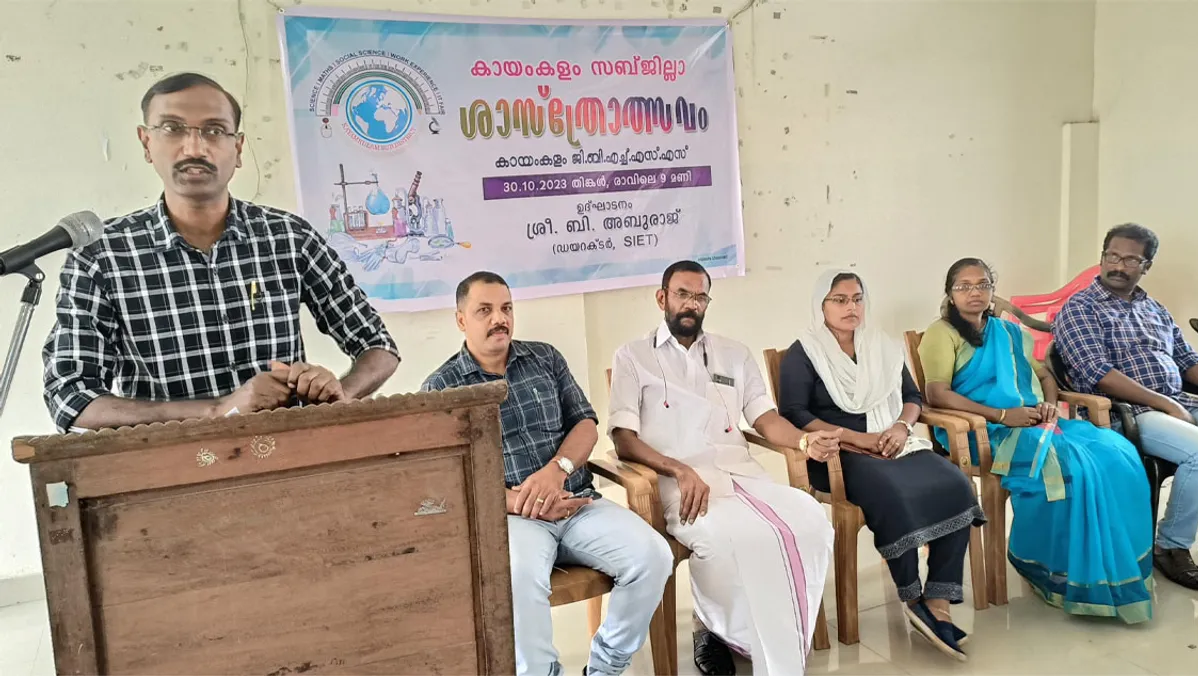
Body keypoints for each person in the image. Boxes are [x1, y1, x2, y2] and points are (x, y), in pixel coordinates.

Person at [42, 72, 399, 433]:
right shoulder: (103, 255)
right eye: (172, 128)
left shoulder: (288, 237)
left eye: (214, 130)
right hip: (170, 472)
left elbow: (378, 346)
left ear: (238, 148)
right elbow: (71, 398)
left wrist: (338, 396)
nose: (195, 148)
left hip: (289, 459)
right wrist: (217, 410)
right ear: (146, 143)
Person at [423, 271, 671, 676]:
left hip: (577, 504)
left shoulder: (544, 358)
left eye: (505, 308)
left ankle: (606, 666)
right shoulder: (441, 388)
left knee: (654, 556)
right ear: (460, 320)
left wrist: (557, 471)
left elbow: (586, 424)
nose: (498, 318)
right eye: (484, 310)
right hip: (511, 519)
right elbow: (442, 479)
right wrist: (518, 500)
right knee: (517, 579)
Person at [608, 260, 836, 676]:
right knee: (724, 543)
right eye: (682, 294)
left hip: (742, 473)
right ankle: (713, 629)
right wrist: (677, 469)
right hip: (681, 483)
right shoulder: (633, 356)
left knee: (813, 522)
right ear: (662, 298)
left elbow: (765, 419)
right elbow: (623, 437)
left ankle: (779, 633)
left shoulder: (734, 354)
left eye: (699, 296)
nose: (690, 304)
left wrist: (804, 441)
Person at [919, 258, 1154, 623]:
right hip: (983, 431)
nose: (974, 292)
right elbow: (937, 394)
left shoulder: (1010, 333)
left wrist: (1047, 403)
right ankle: (1050, 569)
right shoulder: (942, 333)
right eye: (963, 286)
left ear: (993, 290)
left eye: (982, 284)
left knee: (1117, 454)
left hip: (1034, 422)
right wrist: (1001, 415)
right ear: (950, 293)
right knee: (1068, 470)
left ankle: (1106, 571)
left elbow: (1044, 375)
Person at [1055, 224, 1198, 589]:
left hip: (1180, 402)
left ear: (1147, 265)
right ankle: (1170, 546)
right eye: (1112, 256)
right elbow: (1099, 373)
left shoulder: (1154, 308)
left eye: (1130, 259)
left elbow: (1189, 360)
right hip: (1124, 412)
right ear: (1101, 257)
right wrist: (1162, 403)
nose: (1118, 265)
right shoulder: (1080, 308)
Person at [777, 269, 984, 661]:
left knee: (956, 484)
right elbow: (794, 413)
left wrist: (903, 428)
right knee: (892, 492)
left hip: (892, 441)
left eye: (857, 298)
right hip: (838, 453)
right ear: (820, 304)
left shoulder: (881, 345)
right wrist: (857, 439)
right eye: (839, 299)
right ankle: (912, 596)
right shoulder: (804, 352)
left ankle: (937, 600)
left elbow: (911, 396)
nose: (850, 307)